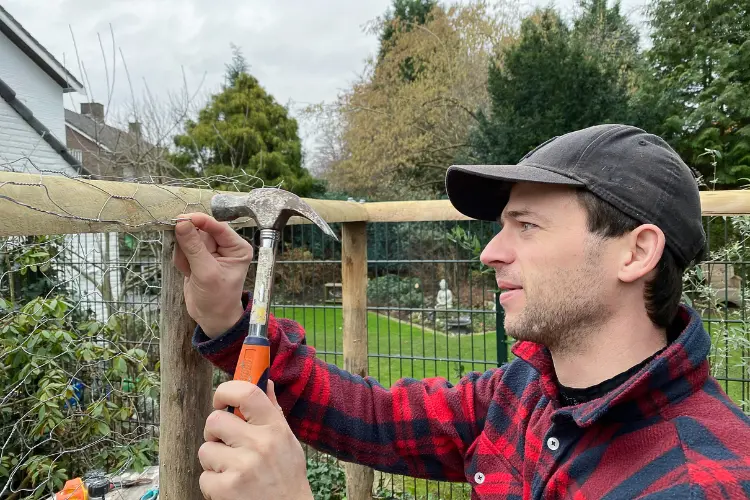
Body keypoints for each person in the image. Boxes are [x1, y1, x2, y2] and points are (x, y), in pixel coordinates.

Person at [174, 124, 750, 499]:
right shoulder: (528, 388)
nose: (491, 252)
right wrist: (229, 319)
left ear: (636, 251)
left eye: (526, 226)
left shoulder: (694, 480)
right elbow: (376, 419)